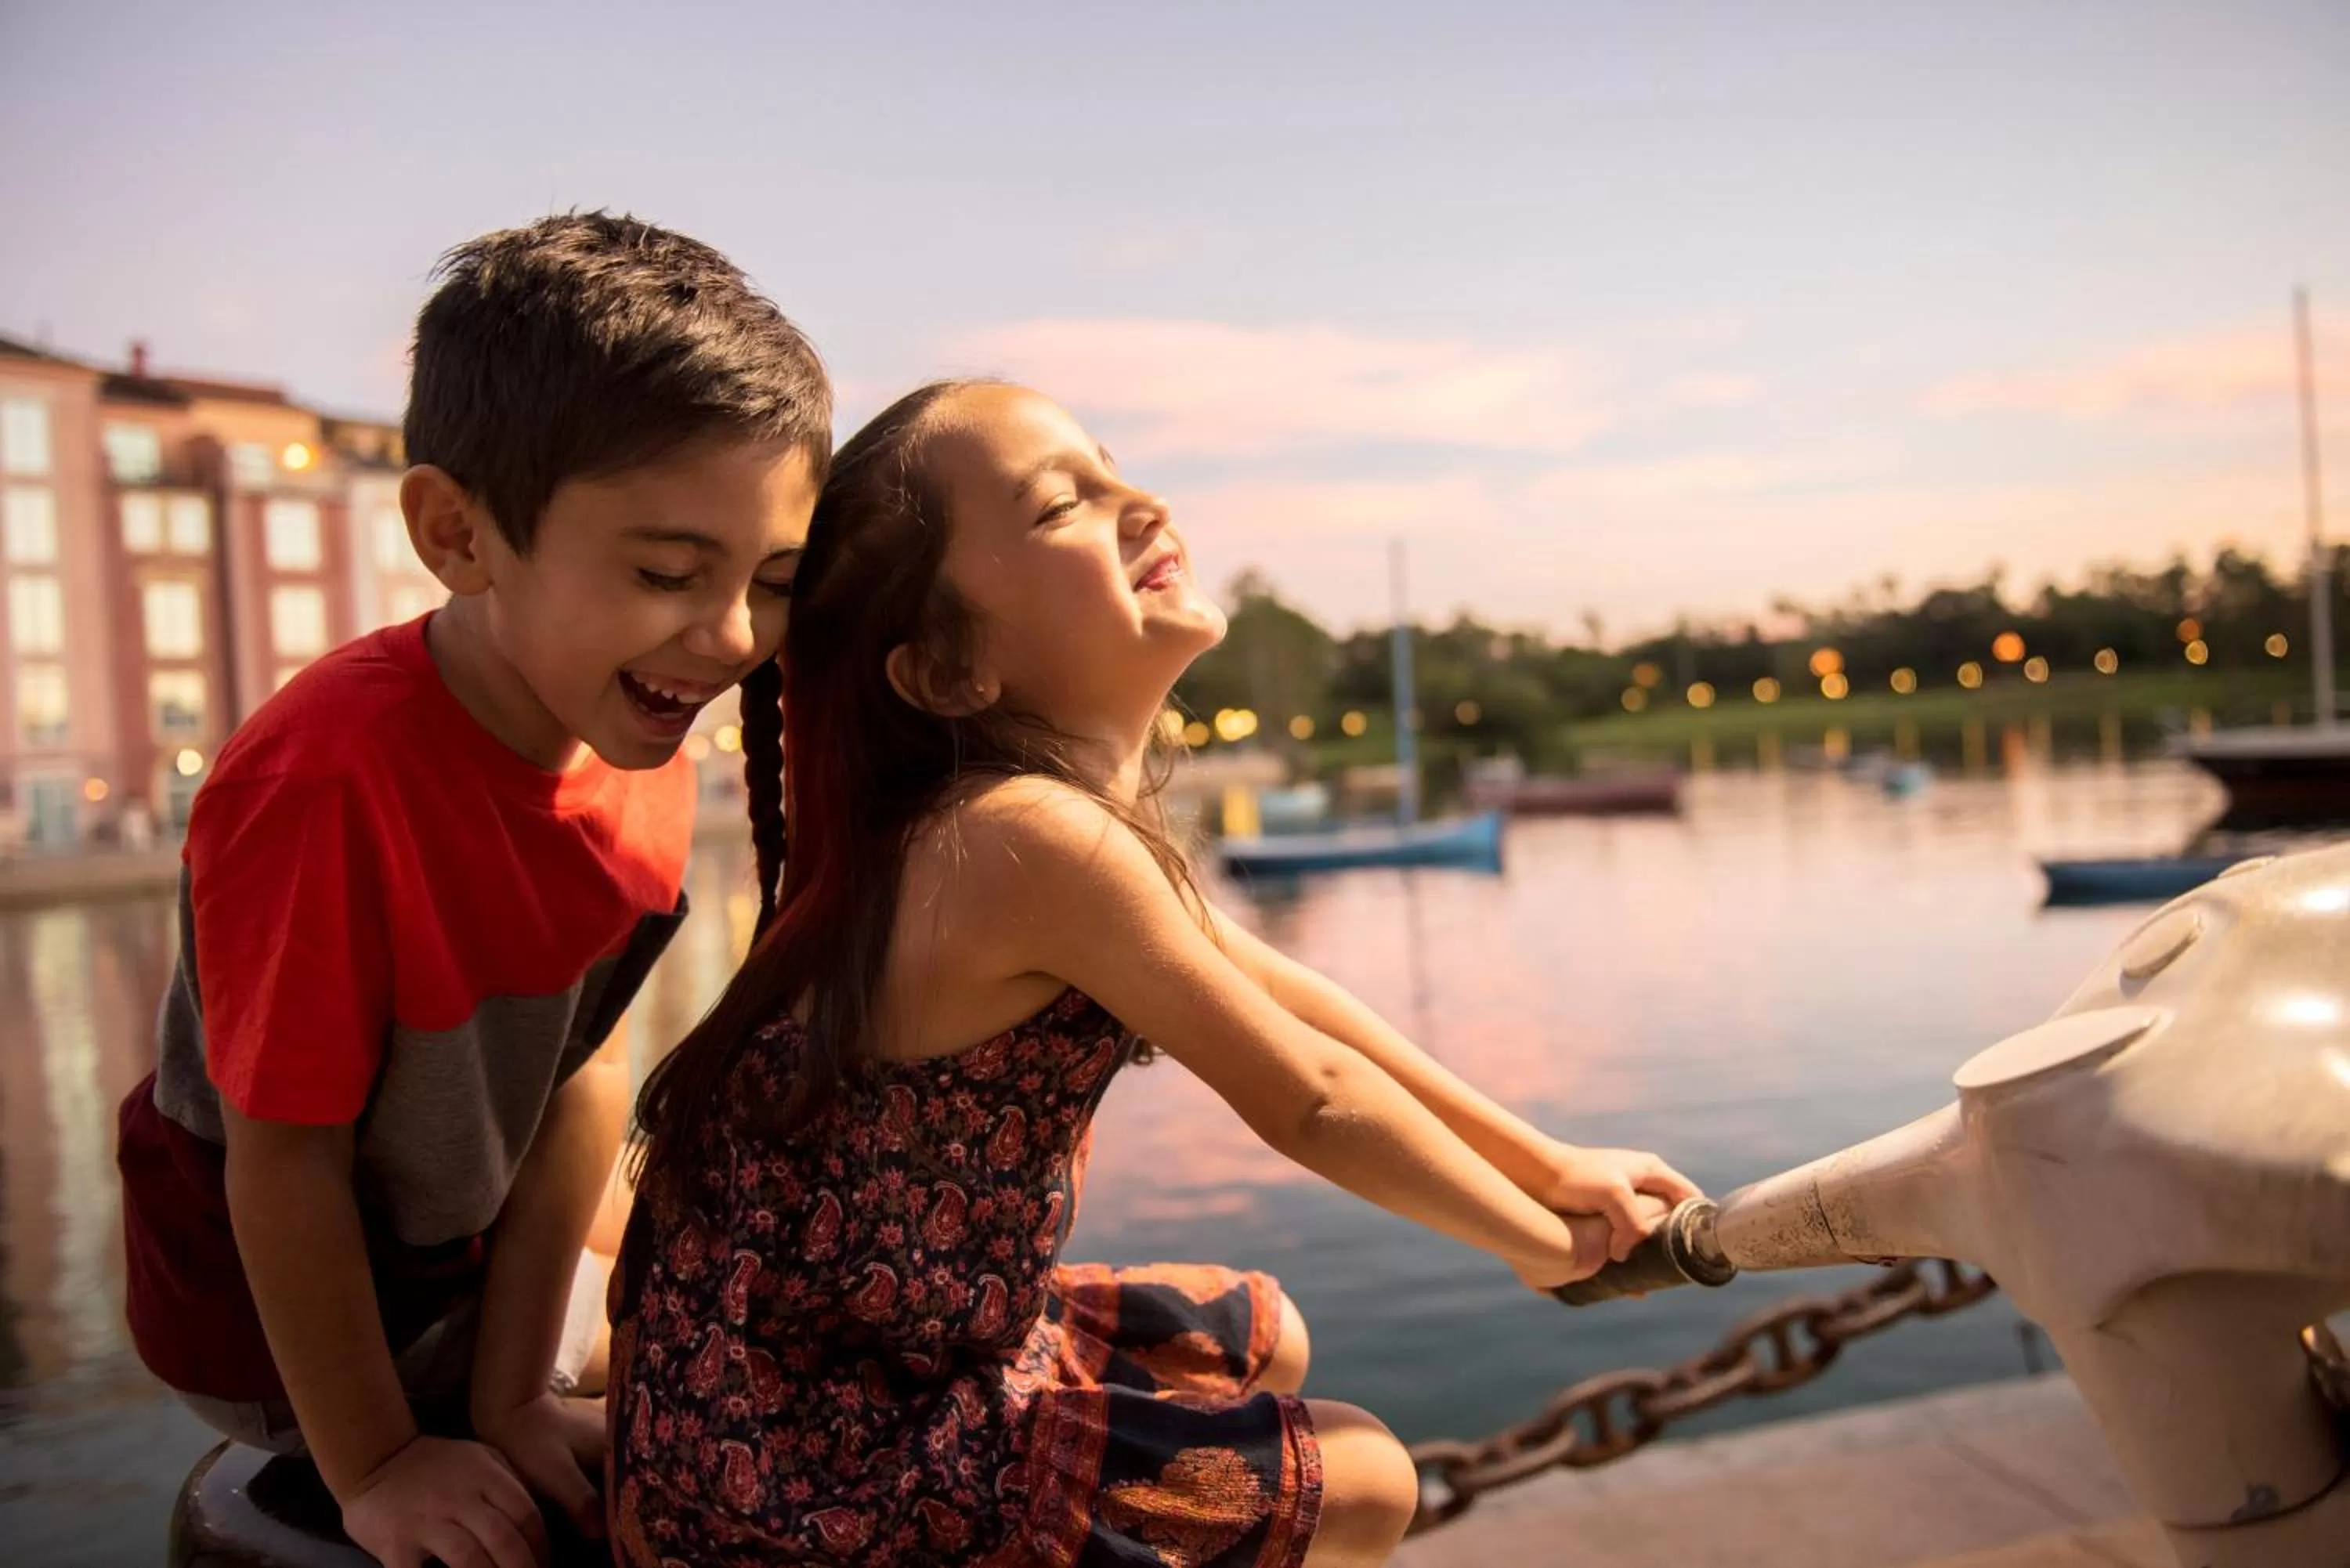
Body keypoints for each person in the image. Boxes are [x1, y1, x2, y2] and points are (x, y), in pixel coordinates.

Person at [611, 380, 1697, 1566]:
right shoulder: (1023, 837)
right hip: (798, 1456)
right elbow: (1311, 1096)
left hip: (868, 1360)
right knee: (1369, 1477)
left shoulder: (1029, 827)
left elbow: (1303, 1009)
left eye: (1114, 465)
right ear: (947, 671)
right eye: (1058, 505)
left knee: (1257, 1342)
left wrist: (1551, 1169)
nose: (1135, 501)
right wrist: (1538, 1244)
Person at [114, 211, 830, 1568]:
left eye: (773, 581)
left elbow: (578, 1079)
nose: (732, 634)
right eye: (668, 572)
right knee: (744, 1366)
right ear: (457, 532)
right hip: (276, 1333)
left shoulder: (643, 747)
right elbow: (285, 1164)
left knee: (751, 1299)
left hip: (462, 1274)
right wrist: (382, 1464)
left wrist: (510, 1401)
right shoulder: (323, 782)